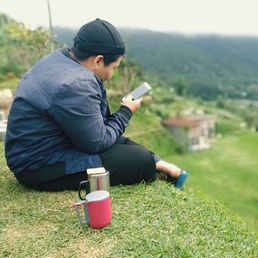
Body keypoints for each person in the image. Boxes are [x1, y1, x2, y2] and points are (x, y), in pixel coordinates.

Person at [4, 18, 188, 191]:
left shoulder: (60, 59)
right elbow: (97, 143)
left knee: (126, 144)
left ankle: (158, 162)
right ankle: (153, 166)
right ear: (98, 60)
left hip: (52, 144)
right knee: (140, 161)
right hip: (37, 167)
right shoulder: (76, 84)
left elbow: (98, 130)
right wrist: (126, 112)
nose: (112, 74)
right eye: (113, 68)